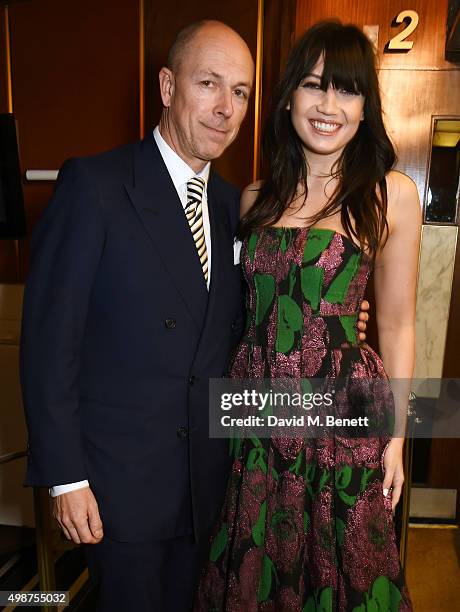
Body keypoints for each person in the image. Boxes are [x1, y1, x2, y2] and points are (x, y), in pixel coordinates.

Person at [20, 19, 369, 612]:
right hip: (120, 490)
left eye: (240, 92)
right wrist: (66, 479)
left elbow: (260, 323)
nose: (225, 109)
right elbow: (49, 345)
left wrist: (332, 318)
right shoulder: (97, 185)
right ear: (166, 85)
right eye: (208, 84)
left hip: (219, 485)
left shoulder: (246, 208)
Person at [195, 20, 420, 611]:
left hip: (346, 419)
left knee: (344, 575)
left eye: (347, 90)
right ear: (290, 94)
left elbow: (396, 323)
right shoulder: (253, 197)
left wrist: (397, 438)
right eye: (315, 85)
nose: (328, 106)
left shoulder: (389, 195)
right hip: (259, 418)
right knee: (261, 570)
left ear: (367, 106)